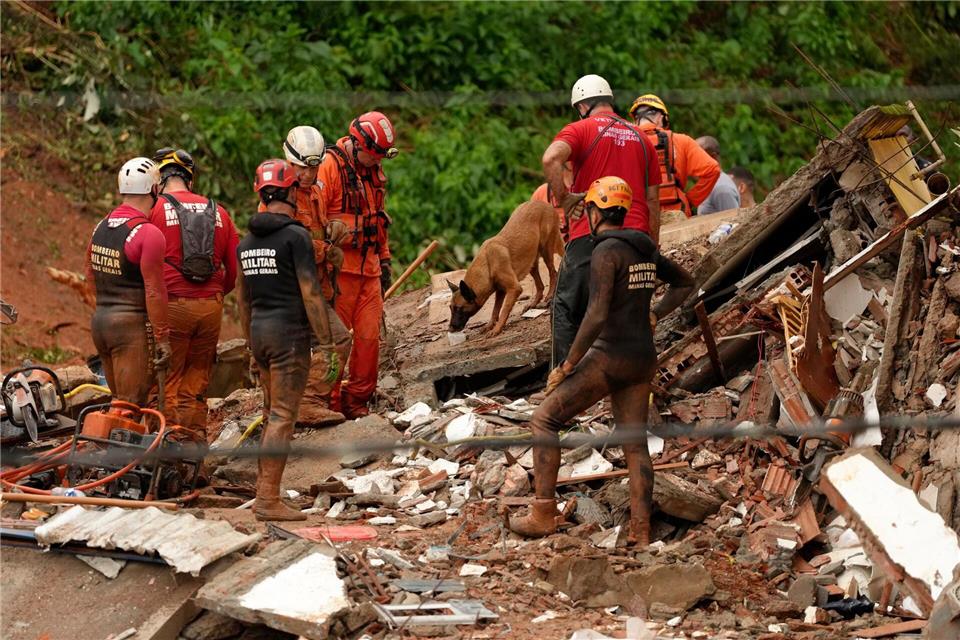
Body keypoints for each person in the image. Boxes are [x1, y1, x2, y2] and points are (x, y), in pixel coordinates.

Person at [508, 176, 695, 544]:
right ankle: (640, 533)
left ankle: (543, 513)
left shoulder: (604, 252)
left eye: (589, 209)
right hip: (642, 358)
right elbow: (687, 283)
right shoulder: (645, 249)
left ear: (595, 210)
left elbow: (595, 315)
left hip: (609, 357)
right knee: (635, 444)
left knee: (544, 420)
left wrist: (566, 365)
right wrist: (655, 312)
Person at [237, 159, 341, 521]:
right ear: (291, 192)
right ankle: (267, 499)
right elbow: (312, 295)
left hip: (261, 336)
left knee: (270, 416)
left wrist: (251, 349)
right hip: (288, 339)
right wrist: (327, 346)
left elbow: (242, 301)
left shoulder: (246, 243)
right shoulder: (296, 237)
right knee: (282, 417)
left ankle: (268, 495)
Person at [542, 74, 660, 369]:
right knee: (627, 312)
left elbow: (550, 159)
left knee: (567, 308)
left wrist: (565, 198)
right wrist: (651, 249)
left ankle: (564, 383)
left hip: (591, 235)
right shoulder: (642, 138)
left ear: (582, 105)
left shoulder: (579, 129)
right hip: (636, 238)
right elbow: (653, 200)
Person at [148, 148, 239, 441]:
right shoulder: (220, 212)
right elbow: (233, 271)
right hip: (210, 308)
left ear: (159, 179)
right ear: (190, 179)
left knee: (167, 381)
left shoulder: (155, 210)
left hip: (172, 304)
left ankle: (166, 453)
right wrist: (213, 294)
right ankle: (194, 454)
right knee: (197, 382)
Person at [318, 112, 398, 419]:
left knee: (369, 341)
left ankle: (357, 401)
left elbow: (379, 219)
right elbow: (317, 220)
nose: (376, 163)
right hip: (340, 274)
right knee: (337, 343)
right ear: (357, 142)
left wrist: (386, 258)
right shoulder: (330, 166)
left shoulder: (373, 171)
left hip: (370, 271)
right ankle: (329, 403)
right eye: (373, 156)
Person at [280, 125, 353, 427]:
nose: (308, 174)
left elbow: (320, 230)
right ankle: (307, 403)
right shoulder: (280, 195)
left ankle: (308, 402)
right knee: (335, 340)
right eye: (302, 168)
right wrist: (325, 250)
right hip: (294, 289)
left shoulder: (316, 194)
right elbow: (287, 239)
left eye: (314, 167)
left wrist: (337, 232)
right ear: (290, 161)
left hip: (316, 287)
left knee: (336, 341)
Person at [85, 157, 171, 405]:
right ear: (154, 190)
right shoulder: (147, 233)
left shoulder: (100, 226)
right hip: (130, 330)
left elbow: (89, 273)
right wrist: (163, 338)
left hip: (101, 324)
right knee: (130, 405)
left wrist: (105, 309)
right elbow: (155, 291)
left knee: (119, 401)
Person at [629, 94, 720, 222]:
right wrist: (690, 200)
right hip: (677, 211)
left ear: (635, 120)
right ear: (661, 117)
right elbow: (713, 170)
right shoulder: (682, 141)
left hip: (642, 215)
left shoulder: (625, 143)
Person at [695, 136, 740, 214]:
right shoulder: (709, 185)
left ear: (713, 157)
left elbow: (733, 223)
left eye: (696, 156)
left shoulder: (721, 188)